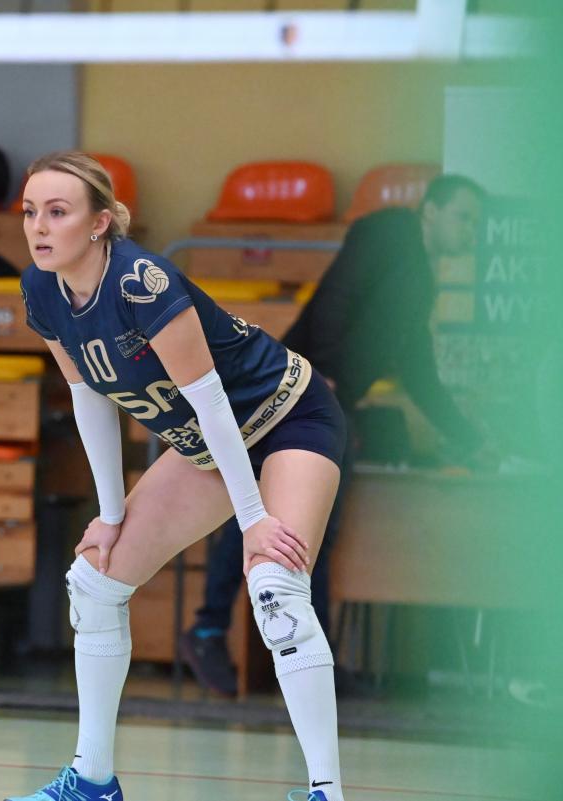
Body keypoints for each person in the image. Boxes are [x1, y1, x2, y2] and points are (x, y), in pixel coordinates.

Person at [8, 151, 348, 801]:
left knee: (275, 587)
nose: (39, 227)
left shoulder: (144, 283)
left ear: (100, 223)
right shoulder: (41, 289)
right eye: (29, 212)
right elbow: (88, 396)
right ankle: (92, 782)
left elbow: (214, 403)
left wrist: (253, 521)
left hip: (287, 419)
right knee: (95, 578)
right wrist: (110, 515)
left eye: (57, 212)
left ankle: (325, 793)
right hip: (207, 449)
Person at [181, 175, 489, 698]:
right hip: (297, 389)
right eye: (464, 217)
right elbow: (335, 301)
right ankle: (212, 630)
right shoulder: (389, 234)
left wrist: (467, 437)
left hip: (324, 404)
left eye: (476, 224)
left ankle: (304, 653)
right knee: (262, 515)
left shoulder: (419, 278)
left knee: (303, 526)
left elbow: (417, 368)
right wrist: (320, 372)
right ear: (431, 212)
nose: (470, 232)